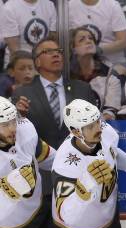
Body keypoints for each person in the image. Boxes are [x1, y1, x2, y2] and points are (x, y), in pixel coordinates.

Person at [12, 36, 98, 194]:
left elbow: (96, 130)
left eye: (58, 51)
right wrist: (18, 117)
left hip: (79, 177)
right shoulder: (22, 93)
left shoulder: (82, 89)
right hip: (39, 180)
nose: (56, 54)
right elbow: (14, 136)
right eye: (48, 51)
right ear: (37, 62)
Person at [50, 99, 126, 228]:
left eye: (97, 121)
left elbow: (112, 151)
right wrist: (86, 186)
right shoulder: (65, 163)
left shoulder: (105, 132)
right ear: (75, 131)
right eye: (90, 126)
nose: (98, 128)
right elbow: (65, 214)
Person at [0, 96, 55, 228]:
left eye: (13, 121)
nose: (12, 128)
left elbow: (48, 157)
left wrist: (77, 168)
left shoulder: (26, 129)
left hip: (36, 219)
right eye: (5, 124)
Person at [70, 26, 122, 121]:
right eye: (82, 40)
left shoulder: (109, 75)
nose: (88, 41)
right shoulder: (67, 76)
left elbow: (110, 114)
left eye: (91, 38)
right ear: (73, 49)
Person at [68, 0, 126, 71]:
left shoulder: (112, 5)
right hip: (81, 65)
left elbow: (124, 42)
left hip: (113, 63)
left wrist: (97, 49)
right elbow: (68, 41)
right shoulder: (70, 6)